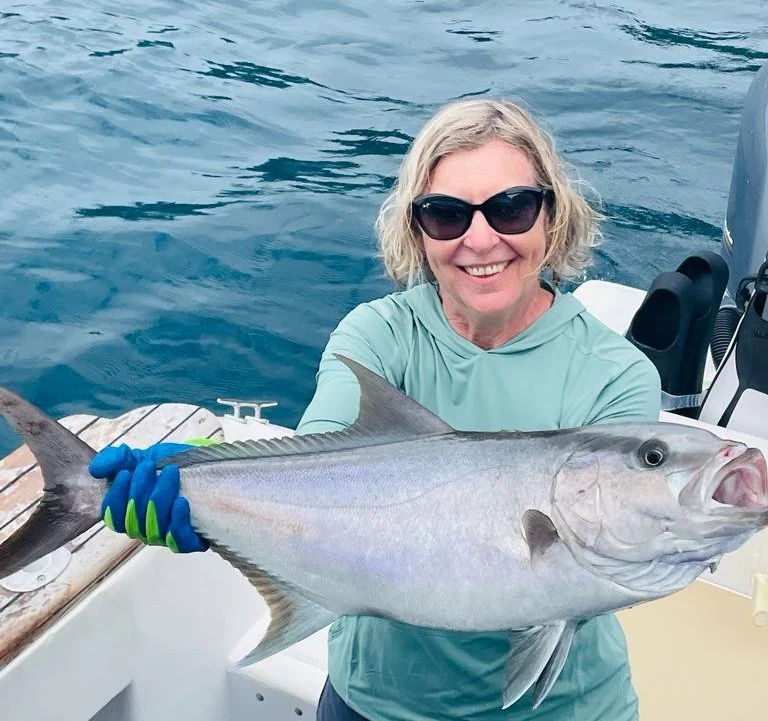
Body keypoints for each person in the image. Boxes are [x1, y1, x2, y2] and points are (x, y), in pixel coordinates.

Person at [91, 98, 661, 721]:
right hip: (374, 704)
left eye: (511, 207)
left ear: (552, 215)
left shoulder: (615, 374)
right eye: (446, 215)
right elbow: (319, 465)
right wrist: (196, 478)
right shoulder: (379, 336)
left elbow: (611, 553)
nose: (480, 239)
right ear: (417, 231)